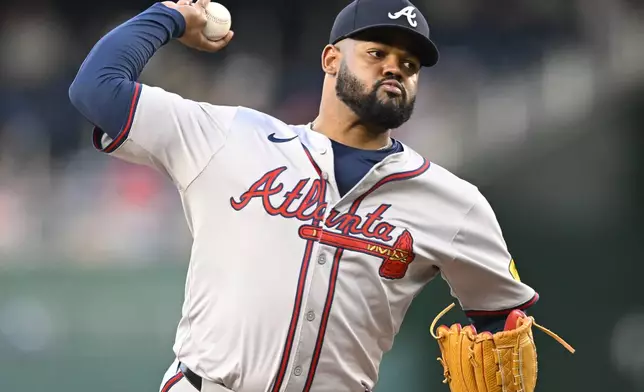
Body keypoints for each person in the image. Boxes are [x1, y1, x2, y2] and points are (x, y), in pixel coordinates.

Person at [69, 0, 572, 391]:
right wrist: (170, 16)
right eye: (377, 53)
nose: (395, 68)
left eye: (410, 63)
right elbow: (95, 88)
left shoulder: (452, 201)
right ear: (332, 59)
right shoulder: (230, 135)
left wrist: (501, 331)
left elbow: (501, 319)